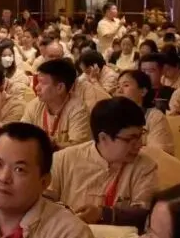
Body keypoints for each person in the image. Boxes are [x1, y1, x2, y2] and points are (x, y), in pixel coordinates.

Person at [48, 97, 158, 228]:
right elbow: (43, 203)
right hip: (68, 234)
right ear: (103, 138)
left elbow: (145, 215)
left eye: (141, 135)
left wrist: (103, 214)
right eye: (131, 139)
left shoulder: (145, 167)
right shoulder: (63, 160)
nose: (139, 144)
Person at [21, 59, 92, 150]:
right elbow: (21, 134)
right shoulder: (34, 105)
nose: (37, 87)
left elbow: (79, 148)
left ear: (60, 88)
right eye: (38, 82)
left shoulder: (78, 110)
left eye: (42, 83)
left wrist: (53, 145)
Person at [117, 70, 174, 154]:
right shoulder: (113, 115)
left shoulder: (155, 117)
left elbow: (158, 154)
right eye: (118, 86)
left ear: (143, 91)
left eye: (126, 85)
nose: (119, 91)